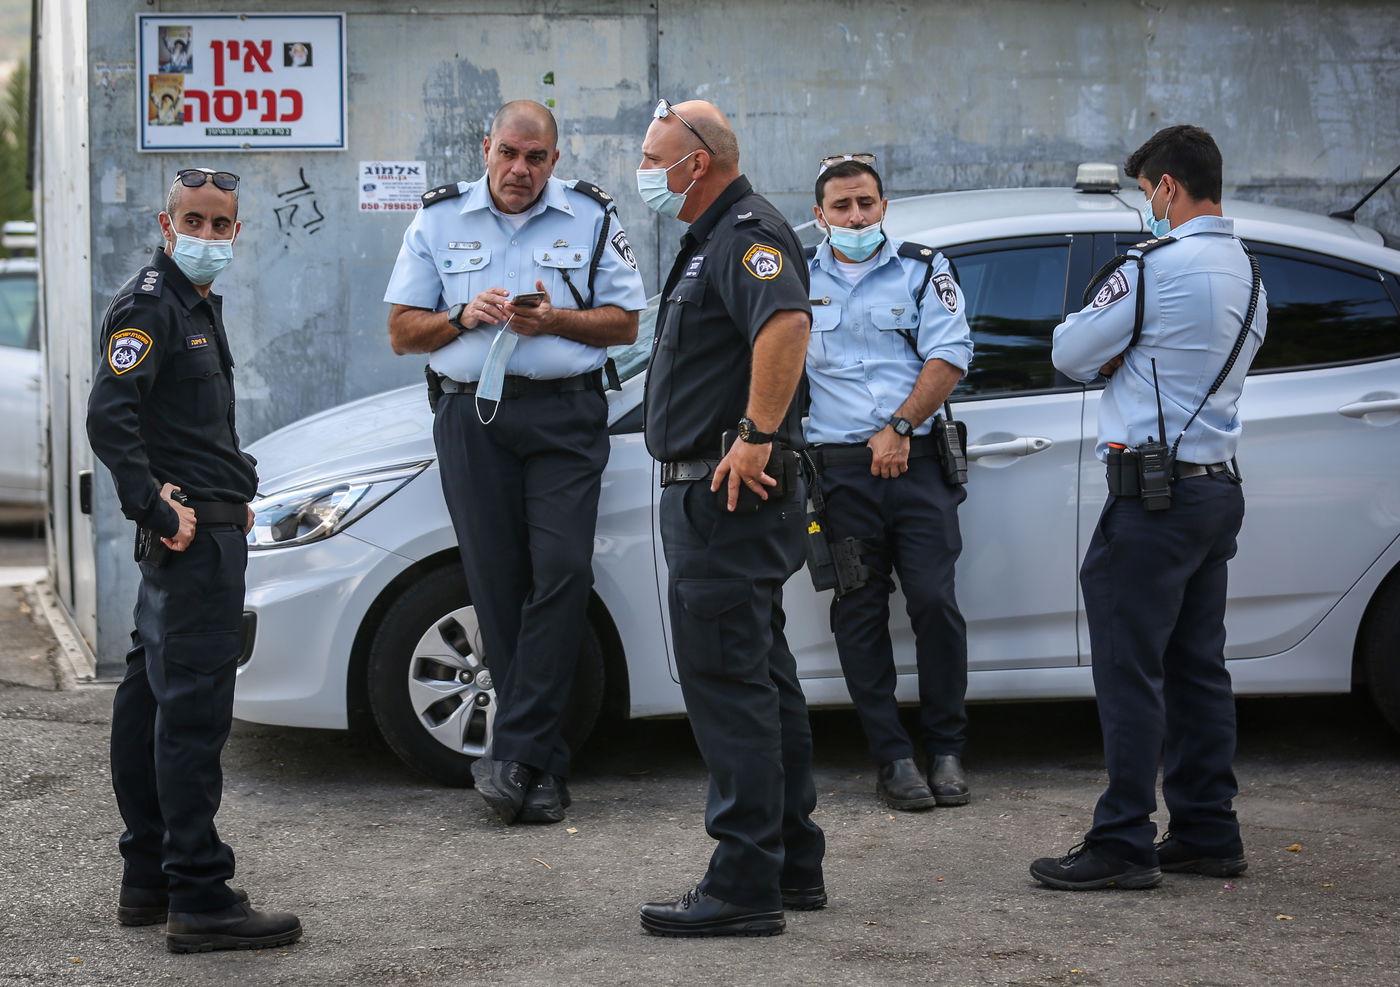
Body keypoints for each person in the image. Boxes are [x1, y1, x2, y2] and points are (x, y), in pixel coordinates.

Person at [384, 100, 645, 826]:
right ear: (486, 148)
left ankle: (517, 751)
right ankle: (542, 766)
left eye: (535, 158)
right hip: (473, 417)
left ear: (554, 161)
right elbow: (403, 332)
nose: (520, 170)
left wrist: (553, 318)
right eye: (508, 154)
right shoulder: (438, 219)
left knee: (561, 572)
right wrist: (464, 316)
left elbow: (625, 322)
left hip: (565, 414)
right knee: (497, 582)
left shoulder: (590, 217)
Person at [1032, 125, 1267, 890]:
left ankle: (1123, 840)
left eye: (1145, 193)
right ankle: (1206, 829)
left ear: (1166, 186)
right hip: (1215, 491)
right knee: (1198, 667)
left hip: (1153, 498)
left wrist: (1113, 348)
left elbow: (1070, 353)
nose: (1147, 208)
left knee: (1131, 670)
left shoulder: (1153, 267)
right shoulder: (1249, 271)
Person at [87, 167, 302, 952]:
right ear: (165, 220)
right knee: (192, 716)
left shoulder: (192, 302)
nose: (208, 236)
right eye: (195, 221)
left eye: (221, 224)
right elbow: (110, 417)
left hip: (206, 528)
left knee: (148, 699)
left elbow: (185, 423)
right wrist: (157, 504)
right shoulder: (153, 302)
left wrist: (224, 487)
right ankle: (201, 897)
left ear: (236, 231)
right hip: (190, 547)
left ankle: (149, 876)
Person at [636, 98, 824, 938]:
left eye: (654, 154)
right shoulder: (710, 238)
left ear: (697, 160)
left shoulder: (745, 229)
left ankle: (744, 880)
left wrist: (754, 435)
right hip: (722, 495)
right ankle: (789, 860)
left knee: (728, 685)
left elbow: (785, 322)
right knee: (761, 677)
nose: (644, 169)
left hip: (725, 493)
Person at [802, 155, 973, 811]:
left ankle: (947, 748)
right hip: (841, 474)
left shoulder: (925, 268)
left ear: (883, 206)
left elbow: (949, 354)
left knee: (935, 603)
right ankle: (893, 757)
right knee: (859, 614)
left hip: (918, 461)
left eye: (865, 204)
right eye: (841, 207)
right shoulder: (797, 276)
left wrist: (900, 427)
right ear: (821, 215)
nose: (855, 217)